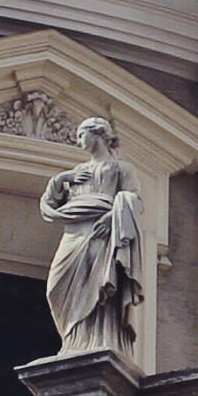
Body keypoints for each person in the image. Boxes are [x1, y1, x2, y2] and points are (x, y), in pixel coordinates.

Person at [38, 116, 141, 356]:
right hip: (74, 233)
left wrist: (111, 218)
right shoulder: (77, 172)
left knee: (99, 285)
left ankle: (95, 338)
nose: (79, 141)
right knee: (55, 285)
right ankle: (72, 338)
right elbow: (51, 204)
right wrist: (61, 180)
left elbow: (134, 200)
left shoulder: (121, 169)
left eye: (81, 135)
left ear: (98, 133)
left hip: (101, 234)